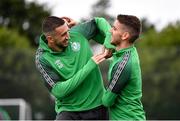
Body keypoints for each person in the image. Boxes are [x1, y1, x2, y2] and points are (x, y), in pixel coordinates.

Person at [35, 16, 113, 120]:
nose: (68, 36)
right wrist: (90, 65)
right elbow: (59, 91)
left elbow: (99, 21)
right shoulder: (42, 58)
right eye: (63, 35)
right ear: (50, 39)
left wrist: (108, 42)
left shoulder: (77, 32)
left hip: (98, 107)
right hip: (69, 112)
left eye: (67, 31)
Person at [102, 14, 146, 120]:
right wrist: (78, 25)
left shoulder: (123, 65)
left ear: (125, 36)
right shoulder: (129, 50)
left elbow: (107, 101)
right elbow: (101, 22)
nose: (110, 31)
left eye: (114, 29)